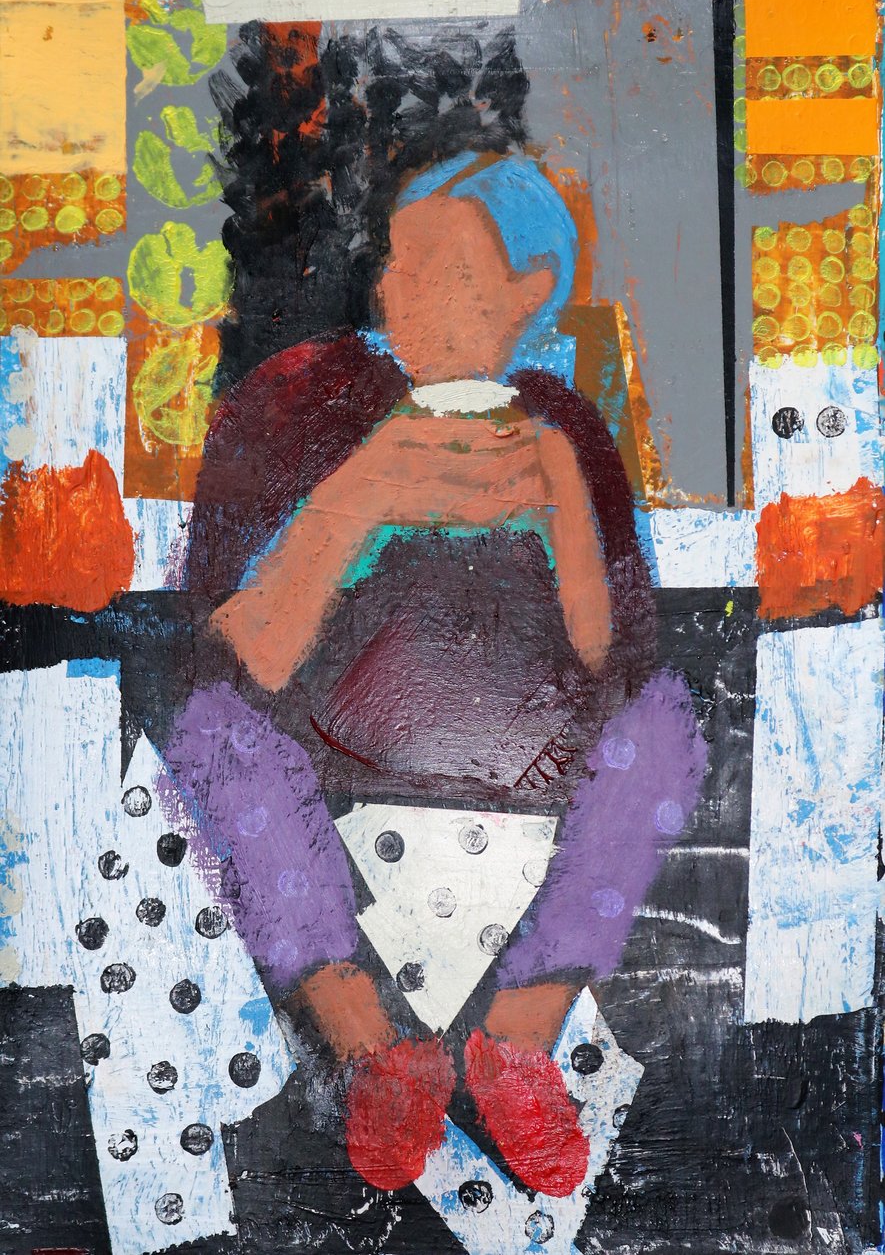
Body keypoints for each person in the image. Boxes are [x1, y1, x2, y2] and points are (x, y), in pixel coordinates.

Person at [164, 151, 706, 1200]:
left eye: (439, 268)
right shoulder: (308, 397)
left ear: (530, 291)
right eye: (395, 264)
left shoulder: (565, 425)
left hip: (526, 774)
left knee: (670, 726)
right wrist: (359, 494)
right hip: (331, 768)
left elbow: (613, 664)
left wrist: (561, 504)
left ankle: (519, 1044)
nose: (395, 291)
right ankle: (372, 1053)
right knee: (213, 736)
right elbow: (241, 656)